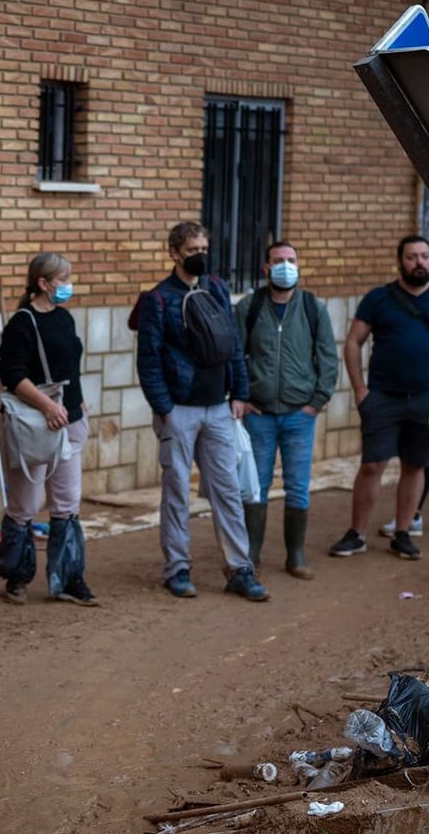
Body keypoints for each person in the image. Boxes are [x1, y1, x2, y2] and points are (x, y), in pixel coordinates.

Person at [136, 222, 267, 600]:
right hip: (179, 410)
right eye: (192, 249)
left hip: (219, 408)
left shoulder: (217, 288)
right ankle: (177, 567)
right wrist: (164, 408)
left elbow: (232, 344)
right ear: (174, 253)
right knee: (176, 490)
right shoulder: (158, 299)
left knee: (227, 489)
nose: (200, 255)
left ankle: (240, 569)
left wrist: (239, 393)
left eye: (203, 247)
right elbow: (149, 359)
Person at [330, 235, 429, 561]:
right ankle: (356, 533)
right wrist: (360, 390)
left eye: (424, 256)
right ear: (399, 261)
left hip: (428, 399)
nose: (419, 262)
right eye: (411, 257)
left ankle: (403, 533)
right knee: (373, 464)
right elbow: (352, 342)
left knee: (415, 466)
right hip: (383, 397)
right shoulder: (378, 299)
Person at [0, 252, 97, 606]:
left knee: (67, 503)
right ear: (43, 283)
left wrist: (77, 402)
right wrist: (48, 405)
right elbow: (12, 374)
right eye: (63, 278)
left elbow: (70, 366)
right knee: (25, 503)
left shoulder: (65, 318)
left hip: (70, 420)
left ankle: (69, 578)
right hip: (35, 423)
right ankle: (17, 576)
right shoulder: (22, 322)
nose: (68, 285)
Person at [235, 239, 336, 579]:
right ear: (266, 268)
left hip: (298, 415)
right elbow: (235, 357)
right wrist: (240, 397)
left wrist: (317, 402)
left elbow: (327, 357)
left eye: (291, 259)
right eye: (278, 260)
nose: (285, 266)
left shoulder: (312, 307)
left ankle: (296, 555)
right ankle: (251, 551)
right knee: (255, 484)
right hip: (259, 414)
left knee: (297, 484)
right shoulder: (249, 306)